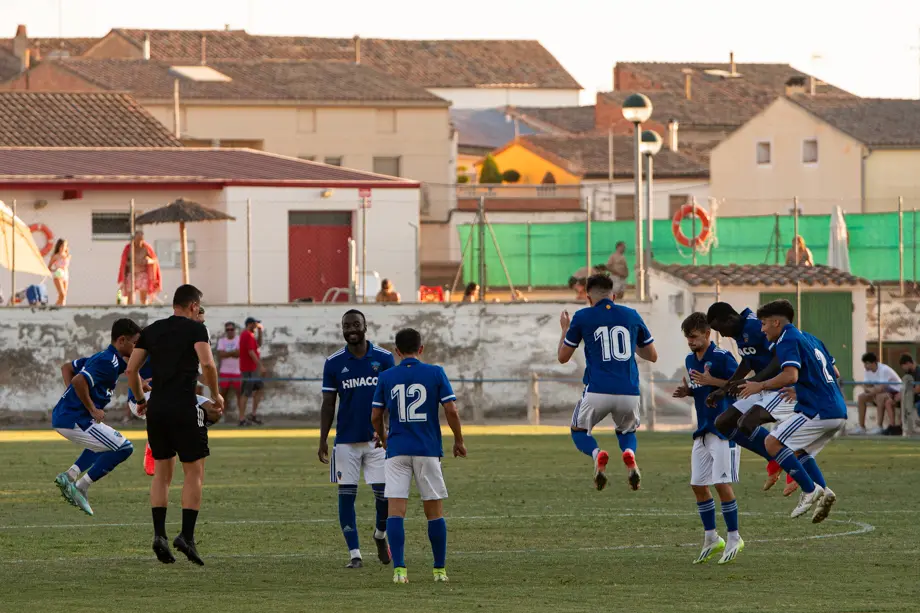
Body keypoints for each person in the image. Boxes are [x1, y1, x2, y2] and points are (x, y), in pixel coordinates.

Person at [127, 284, 223, 566]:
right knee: (194, 472)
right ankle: (186, 536)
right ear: (194, 306)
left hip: (157, 410)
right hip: (184, 407)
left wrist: (140, 398)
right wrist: (216, 395)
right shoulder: (196, 330)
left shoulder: (152, 330)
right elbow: (208, 365)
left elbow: (132, 370)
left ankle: (159, 536)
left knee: (162, 474)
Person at [734, 299, 844, 523]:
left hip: (818, 411)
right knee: (797, 451)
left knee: (771, 443)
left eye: (764, 324)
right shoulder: (811, 338)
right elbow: (835, 372)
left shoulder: (786, 339)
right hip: (838, 411)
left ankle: (809, 490)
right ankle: (824, 490)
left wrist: (760, 385)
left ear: (776, 323)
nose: (762, 329)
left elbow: (791, 375)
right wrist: (800, 389)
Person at [371, 328, 465, 585]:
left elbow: (376, 417)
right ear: (421, 349)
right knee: (434, 512)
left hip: (397, 450)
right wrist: (458, 440)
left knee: (395, 512)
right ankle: (439, 571)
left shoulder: (387, 376)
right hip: (427, 450)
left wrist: (382, 436)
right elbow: (451, 410)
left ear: (397, 351)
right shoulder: (435, 373)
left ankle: (399, 570)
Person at [557, 273, 658, 491]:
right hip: (629, 392)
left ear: (588, 297)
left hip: (597, 390)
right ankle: (629, 454)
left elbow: (563, 357)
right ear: (613, 295)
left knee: (579, 430)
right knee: (627, 432)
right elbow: (652, 355)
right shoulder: (632, 315)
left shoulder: (582, 316)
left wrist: (564, 328)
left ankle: (597, 454)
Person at [318, 309, 396, 569]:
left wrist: (388, 431)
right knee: (346, 496)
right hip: (346, 442)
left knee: (385, 497)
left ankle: (380, 536)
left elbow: (391, 401)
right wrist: (322, 440)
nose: (351, 329)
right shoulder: (333, 362)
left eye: (355, 324)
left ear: (365, 326)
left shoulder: (384, 359)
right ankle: (354, 554)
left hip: (378, 442)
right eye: (346, 325)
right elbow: (328, 404)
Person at [51, 318, 142, 516]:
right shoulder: (107, 361)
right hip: (74, 418)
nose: (137, 348)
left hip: (68, 415)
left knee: (105, 444)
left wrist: (72, 398)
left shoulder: (108, 358)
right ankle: (81, 487)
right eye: (135, 343)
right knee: (124, 448)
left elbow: (67, 367)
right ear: (121, 341)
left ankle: (69, 476)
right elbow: (78, 380)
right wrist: (91, 408)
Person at [672, 313, 743, 565]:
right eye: (687, 337)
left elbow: (741, 384)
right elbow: (704, 390)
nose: (690, 342)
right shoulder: (690, 359)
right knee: (698, 485)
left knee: (721, 483)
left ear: (707, 334)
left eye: (694, 336)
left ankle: (734, 537)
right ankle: (712, 537)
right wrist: (690, 391)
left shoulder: (723, 357)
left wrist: (713, 381)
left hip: (725, 429)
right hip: (703, 429)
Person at [706, 302, 798, 494]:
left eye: (720, 329)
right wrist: (726, 387)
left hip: (782, 389)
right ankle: (774, 458)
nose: (722, 335)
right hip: (762, 389)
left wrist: (756, 381)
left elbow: (779, 358)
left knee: (746, 423)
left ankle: (793, 465)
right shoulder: (740, 331)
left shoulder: (755, 326)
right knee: (723, 422)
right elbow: (748, 359)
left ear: (730, 319)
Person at [855, 352, 901, 435]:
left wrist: (872, 390)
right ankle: (861, 427)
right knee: (861, 397)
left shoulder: (884, 369)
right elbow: (866, 387)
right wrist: (873, 390)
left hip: (894, 392)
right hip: (879, 392)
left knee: (880, 396)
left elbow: (881, 388)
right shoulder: (867, 371)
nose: (865, 366)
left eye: (867, 363)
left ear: (874, 363)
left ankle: (879, 426)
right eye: (864, 363)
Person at [118, 230, 162, 305]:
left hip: (143, 274)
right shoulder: (129, 248)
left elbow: (154, 260)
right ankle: (130, 311)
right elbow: (124, 262)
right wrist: (132, 263)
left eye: (141, 239)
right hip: (132, 274)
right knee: (130, 297)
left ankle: (144, 309)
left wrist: (147, 261)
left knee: (143, 298)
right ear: (134, 239)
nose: (139, 241)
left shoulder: (146, 248)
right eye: (137, 239)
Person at [239, 316, 266, 426]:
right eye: (255, 324)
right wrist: (261, 366)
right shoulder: (246, 335)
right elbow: (251, 352)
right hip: (248, 369)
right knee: (246, 393)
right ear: (249, 324)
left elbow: (258, 344)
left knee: (259, 388)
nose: (256, 326)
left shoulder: (251, 335)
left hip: (252, 369)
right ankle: (241, 419)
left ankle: (253, 415)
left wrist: (260, 332)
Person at [217, 322, 242, 420]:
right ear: (226, 331)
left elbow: (239, 353)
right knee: (223, 394)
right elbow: (221, 354)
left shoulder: (238, 339)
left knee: (239, 393)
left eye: (232, 329)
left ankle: (241, 416)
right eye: (228, 330)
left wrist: (228, 353)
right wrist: (233, 353)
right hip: (224, 371)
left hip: (237, 371)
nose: (230, 331)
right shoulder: (222, 341)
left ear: (234, 330)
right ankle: (222, 415)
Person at [48, 239, 71, 306]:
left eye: (65, 246)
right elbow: (49, 267)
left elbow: (66, 266)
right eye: (62, 246)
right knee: (62, 294)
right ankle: (54, 308)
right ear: (59, 246)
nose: (63, 247)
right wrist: (55, 270)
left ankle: (60, 307)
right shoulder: (55, 256)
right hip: (58, 275)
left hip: (65, 275)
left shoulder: (67, 256)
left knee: (63, 296)